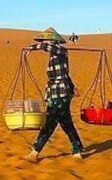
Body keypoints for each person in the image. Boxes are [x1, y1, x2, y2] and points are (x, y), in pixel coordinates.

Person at [25, 27, 85, 161]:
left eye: (46, 40)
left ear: (52, 41)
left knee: (49, 122)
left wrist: (32, 47)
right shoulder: (54, 56)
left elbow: (50, 48)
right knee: (66, 123)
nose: (45, 42)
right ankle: (77, 149)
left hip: (61, 93)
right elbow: (65, 73)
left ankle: (35, 151)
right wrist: (73, 86)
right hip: (56, 91)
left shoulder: (61, 51)